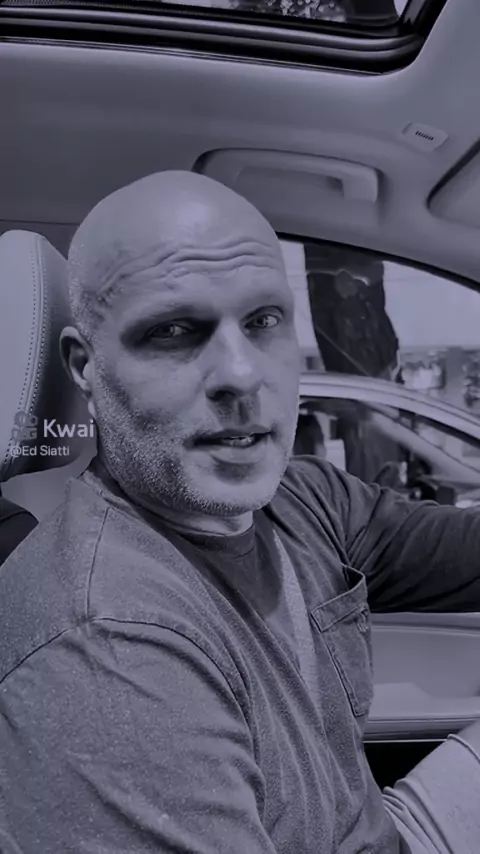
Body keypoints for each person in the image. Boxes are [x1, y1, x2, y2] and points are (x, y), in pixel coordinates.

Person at [0, 170, 480, 854]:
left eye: (263, 321)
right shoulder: (106, 645)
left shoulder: (304, 499)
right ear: (85, 367)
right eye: (173, 330)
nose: (242, 374)